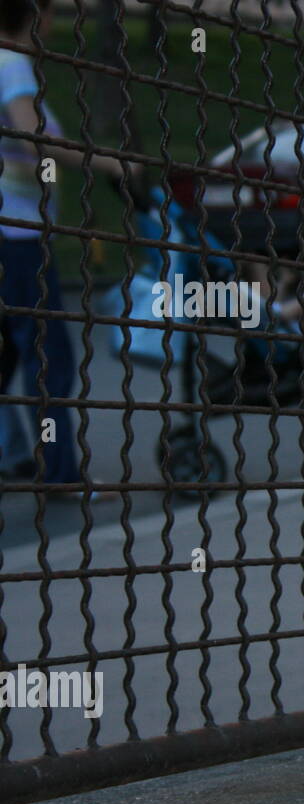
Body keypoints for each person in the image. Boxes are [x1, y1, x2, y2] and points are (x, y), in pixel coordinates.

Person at [0, 0, 137, 487]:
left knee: (11, 352)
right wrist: (109, 163)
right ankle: (57, 471)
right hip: (16, 236)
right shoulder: (12, 62)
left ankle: (14, 455)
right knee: (49, 357)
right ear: (34, 16)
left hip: (13, 231)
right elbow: (31, 134)